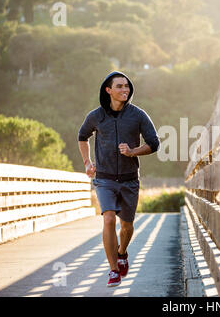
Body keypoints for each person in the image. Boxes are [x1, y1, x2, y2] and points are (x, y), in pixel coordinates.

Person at [78, 71, 160, 287]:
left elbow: (154, 143)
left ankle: (122, 252)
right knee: (108, 219)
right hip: (104, 178)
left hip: (129, 179)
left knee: (127, 226)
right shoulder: (96, 116)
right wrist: (87, 162)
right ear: (108, 90)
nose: (125, 90)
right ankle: (113, 270)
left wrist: (133, 152)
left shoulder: (138, 115)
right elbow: (82, 137)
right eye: (120, 86)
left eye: (127, 86)